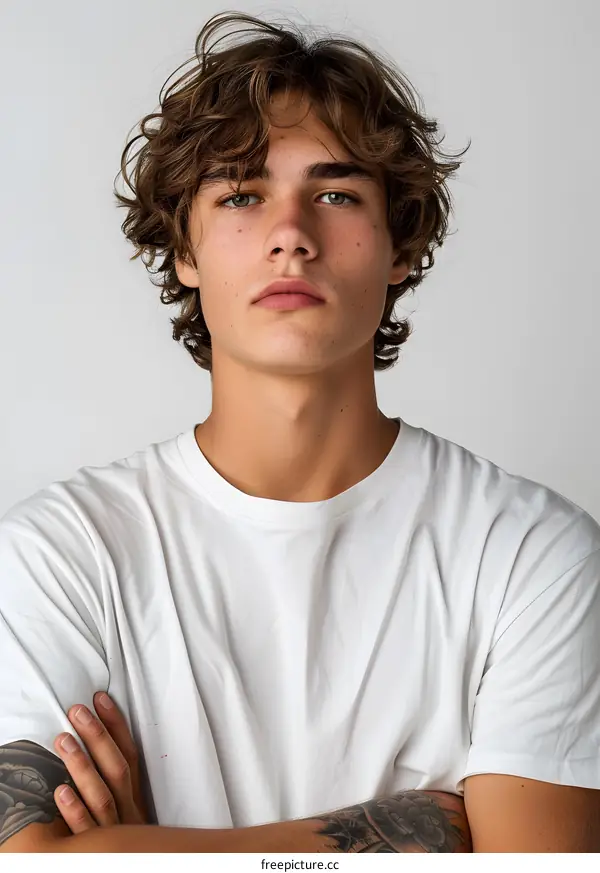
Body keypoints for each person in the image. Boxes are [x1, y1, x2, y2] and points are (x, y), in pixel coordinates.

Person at [1, 10, 600, 854]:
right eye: (243, 194)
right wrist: (415, 826)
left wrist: (136, 850)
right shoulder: (56, 554)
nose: (291, 235)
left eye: (336, 194)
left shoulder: (530, 553)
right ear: (185, 249)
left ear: (398, 245)